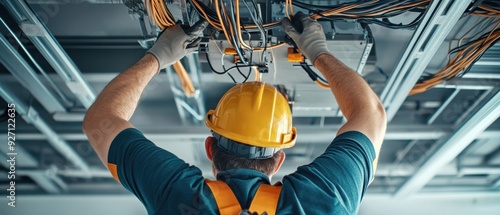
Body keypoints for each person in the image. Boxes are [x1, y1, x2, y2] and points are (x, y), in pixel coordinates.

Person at [83, 12, 386, 215]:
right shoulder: (178, 198)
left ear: (210, 147)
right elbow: (371, 114)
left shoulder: (318, 202)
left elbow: (101, 120)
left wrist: (159, 55)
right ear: (277, 159)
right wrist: (318, 52)